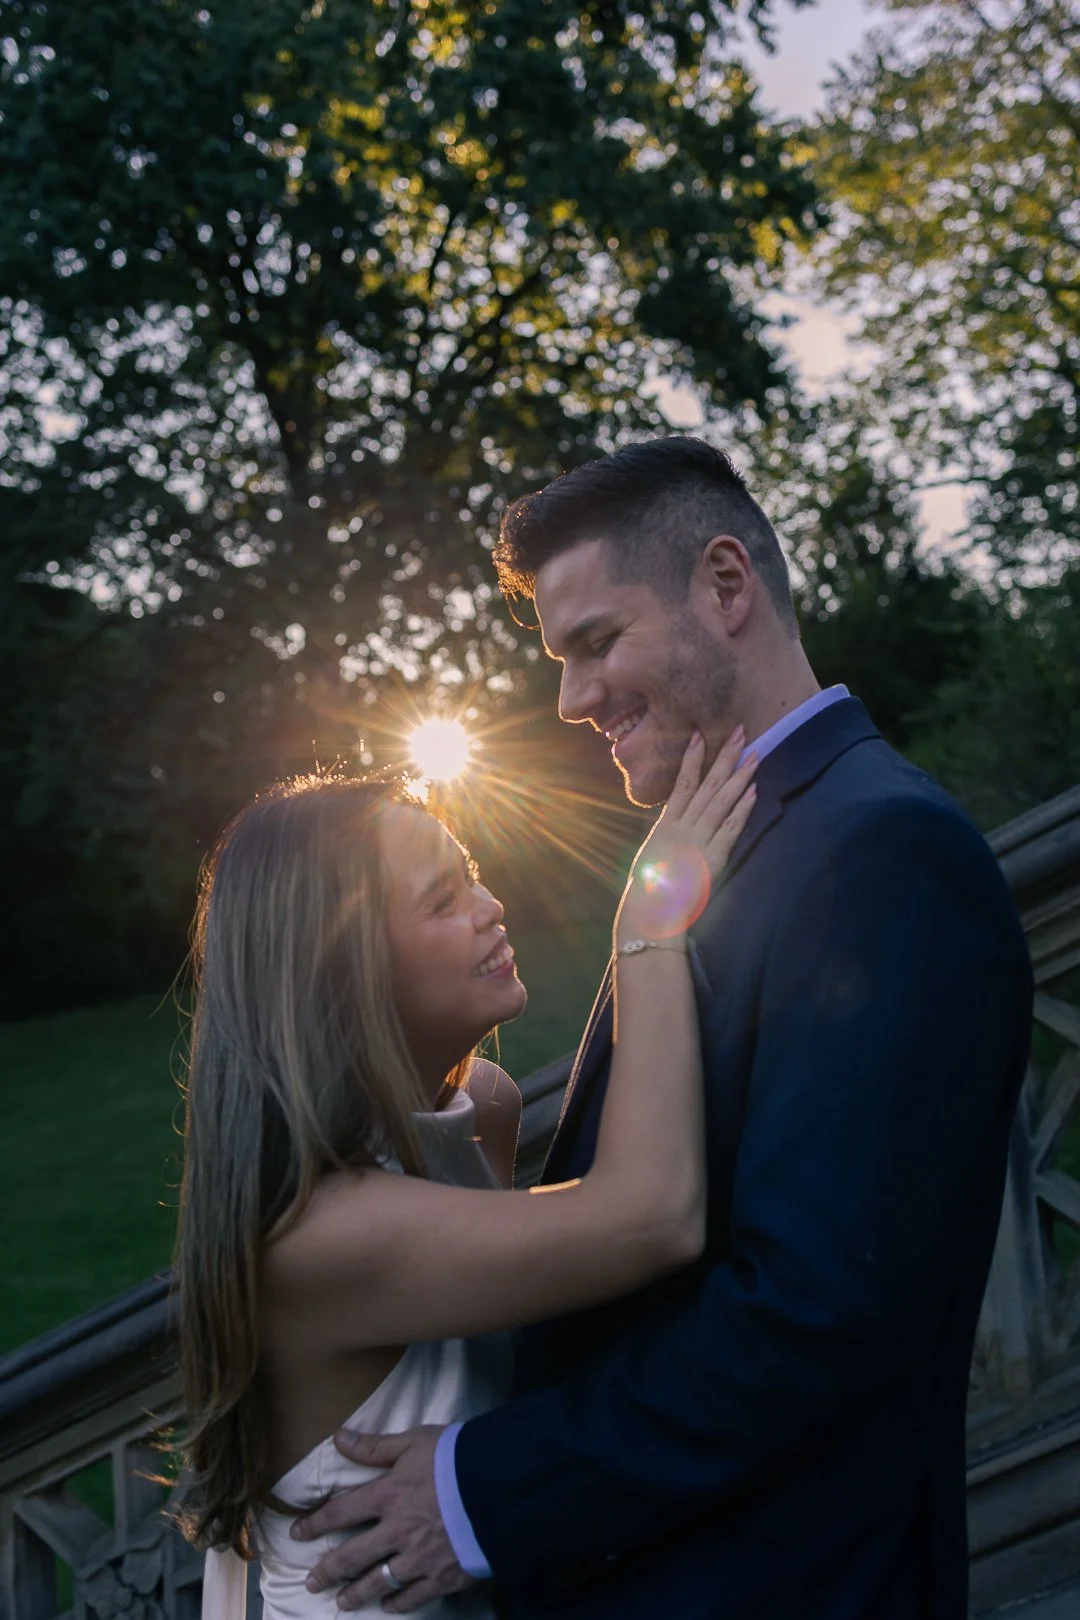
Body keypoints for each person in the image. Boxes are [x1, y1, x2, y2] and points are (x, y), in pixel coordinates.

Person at [294, 436, 1034, 1620]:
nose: (572, 698)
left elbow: (815, 1316)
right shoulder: (722, 845)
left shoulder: (883, 854)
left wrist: (486, 1493)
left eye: (597, 644)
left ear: (726, 587)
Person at [179, 739, 758, 1620]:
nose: (492, 908)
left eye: (473, 873)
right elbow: (653, 1217)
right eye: (443, 901)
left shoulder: (476, 1113)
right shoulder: (322, 1235)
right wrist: (650, 929)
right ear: (345, 970)